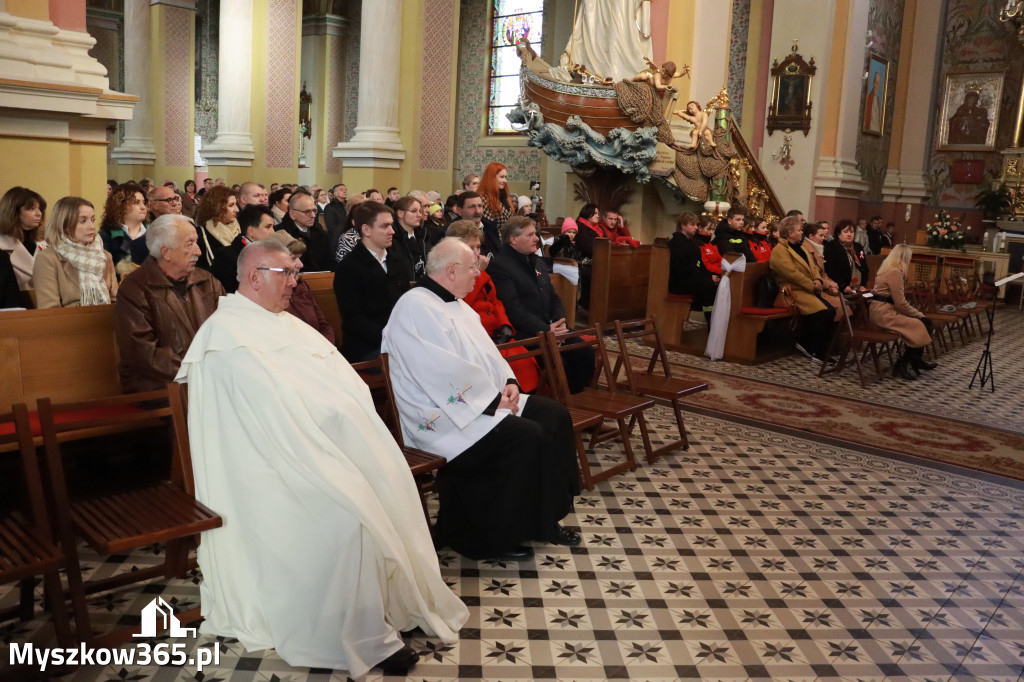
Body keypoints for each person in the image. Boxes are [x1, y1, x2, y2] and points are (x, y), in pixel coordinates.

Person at [175, 238, 466, 677]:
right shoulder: (226, 335)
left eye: (296, 273)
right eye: (286, 274)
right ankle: (362, 635)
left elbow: (334, 382)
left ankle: (388, 608)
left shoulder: (282, 322)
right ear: (254, 277)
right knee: (348, 521)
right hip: (270, 467)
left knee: (389, 486)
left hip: (319, 444)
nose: (295, 283)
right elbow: (261, 420)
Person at [382, 237, 581, 561]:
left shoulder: (458, 305)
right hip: (438, 416)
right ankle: (492, 536)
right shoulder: (414, 307)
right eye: (472, 267)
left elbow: (488, 353)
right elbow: (435, 370)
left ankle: (541, 521)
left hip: (478, 399)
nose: (478, 273)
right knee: (525, 436)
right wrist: (490, 403)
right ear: (450, 271)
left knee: (553, 415)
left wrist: (510, 382)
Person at [115, 214, 223, 393]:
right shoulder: (136, 288)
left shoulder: (208, 282)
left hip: (206, 378)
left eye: (196, 242)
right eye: (190, 244)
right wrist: (197, 373)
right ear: (165, 252)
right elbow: (144, 353)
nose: (198, 251)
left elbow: (227, 331)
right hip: (159, 384)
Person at [488, 216, 594, 393]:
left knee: (585, 352)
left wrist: (560, 321)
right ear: (513, 239)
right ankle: (564, 404)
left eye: (535, 234)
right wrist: (547, 330)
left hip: (550, 329)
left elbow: (553, 297)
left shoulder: (536, 261)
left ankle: (578, 401)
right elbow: (514, 311)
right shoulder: (500, 267)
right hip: (527, 334)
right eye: (530, 235)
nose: (536, 238)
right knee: (563, 362)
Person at [446, 220, 540, 391]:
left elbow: (495, 302)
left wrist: (505, 325)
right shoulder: (450, 274)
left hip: (496, 333)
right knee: (514, 365)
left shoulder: (479, 272)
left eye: (478, 247)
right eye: (471, 248)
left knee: (524, 358)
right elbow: (462, 304)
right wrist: (478, 274)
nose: (476, 253)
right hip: (475, 338)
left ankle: (527, 400)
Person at [333, 201, 410, 362]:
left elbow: (406, 303)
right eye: (385, 226)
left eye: (391, 225)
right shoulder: (349, 267)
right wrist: (392, 338)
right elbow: (354, 319)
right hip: (368, 346)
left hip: (400, 340)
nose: (392, 231)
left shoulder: (396, 260)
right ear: (366, 230)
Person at [768, 215, 837, 363]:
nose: (801, 233)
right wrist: (812, 285)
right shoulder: (780, 251)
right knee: (824, 312)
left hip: (809, 288)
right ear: (790, 233)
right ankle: (813, 348)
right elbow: (792, 274)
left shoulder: (801, 248)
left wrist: (818, 279)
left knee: (831, 311)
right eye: (799, 230)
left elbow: (813, 267)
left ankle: (816, 346)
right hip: (793, 291)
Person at [32, 196, 117, 308]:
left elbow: (115, 300)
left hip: (104, 319)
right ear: (65, 225)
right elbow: (49, 310)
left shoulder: (104, 255)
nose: (91, 226)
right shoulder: (47, 258)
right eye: (83, 221)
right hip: (69, 322)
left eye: (92, 220)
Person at [869, 244, 937, 380]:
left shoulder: (887, 269)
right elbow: (901, 304)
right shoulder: (895, 272)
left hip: (881, 310)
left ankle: (915, 360)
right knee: (923, 324)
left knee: (922, 324)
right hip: (884, 314)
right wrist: (920, 315)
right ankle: (903, 363)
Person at [211, 204, 275, 293]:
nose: (273, 232)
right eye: (268, 227)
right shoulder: (226, 257)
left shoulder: (272, 255)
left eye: (273, 227)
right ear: (251, 231)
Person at [668, 211, 718, 323]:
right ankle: (710, 321)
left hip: (691, 278)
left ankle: (714, 320)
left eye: (696, 224)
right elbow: (681, 268)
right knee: (708, 286)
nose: (696, 227)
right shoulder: (676, 242)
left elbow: (700, 264)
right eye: (693, 224)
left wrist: (710, 276)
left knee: (715, 284)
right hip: (680, 281)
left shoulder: (693, 243)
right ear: (683, 225)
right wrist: (705, 279)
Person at [0, 186, 47, 292]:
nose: (39, 213)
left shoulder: (46, 243)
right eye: (31, 209)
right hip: (16, 305)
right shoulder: (2, 245)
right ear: (14, 212)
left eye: (39, 209)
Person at [100, 182, 150, 278]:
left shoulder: (155, 232)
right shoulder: (106, 236)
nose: (143, 207)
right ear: (120, 205)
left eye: (144, 202)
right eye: (136, 202)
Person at [278, 191, 331, 272]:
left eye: (314, 210)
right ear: (292, 214)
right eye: (307, 212)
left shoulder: (321, 233)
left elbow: (329, 263)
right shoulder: (280, 234)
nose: (313, 215)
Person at [194, 184, 241, 272]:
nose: (237, 209)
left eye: (236, 204)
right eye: (231, 205)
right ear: (217, 207)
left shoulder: (242, 229)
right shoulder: (200, 235)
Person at [824, 219, 869, 293]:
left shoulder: (858, 246)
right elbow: (830, 270)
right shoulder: (832, 246)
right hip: (841, 287)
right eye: (845, 232)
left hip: (858, 288)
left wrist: (863, 285)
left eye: (852, 232)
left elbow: (865, 268)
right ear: (838, 234)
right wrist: (843, 286)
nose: (849, 234)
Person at [478, 162, 514, 248]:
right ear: (492, 178)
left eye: (505, 177)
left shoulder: (503, 196)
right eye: (501, 177)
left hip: (506, 242)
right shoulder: (484, 200)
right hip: (494, 245)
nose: (505, 181)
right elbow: (490, 229)